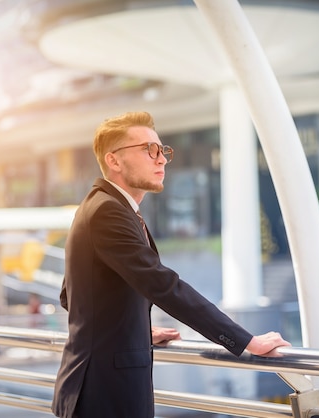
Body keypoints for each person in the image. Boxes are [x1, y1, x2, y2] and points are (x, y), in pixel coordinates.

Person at [52, 111, 290, 418]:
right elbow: (164, 286)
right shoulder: (107, 212)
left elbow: (70, 296)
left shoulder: (102, 206)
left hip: (97, 391)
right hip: (104, 395)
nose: (161, 159)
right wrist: (246, 340)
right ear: (114, 161)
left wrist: (134, 328)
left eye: (162, 151)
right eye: (148, 150)